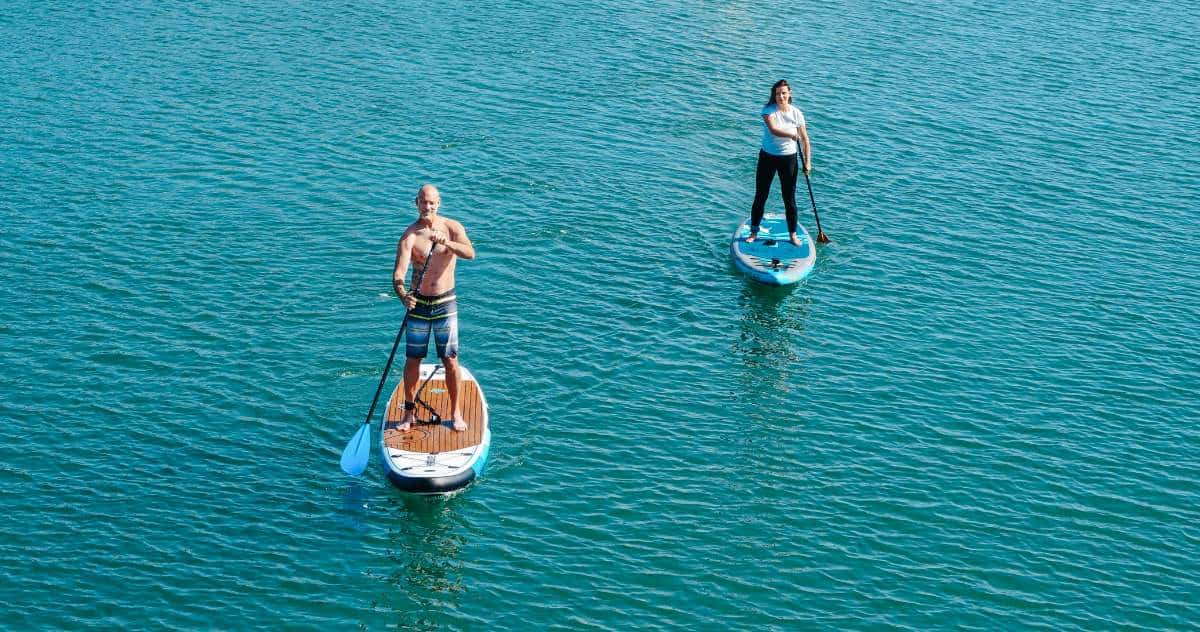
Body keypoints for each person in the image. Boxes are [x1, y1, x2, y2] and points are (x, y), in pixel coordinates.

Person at [392, 184, 476, 432]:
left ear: (438, 203)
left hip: (444, 302)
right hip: (418, 304)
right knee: (412, 359)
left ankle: (456, 412)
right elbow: (398, 274)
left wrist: (448, 244)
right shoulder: (410, 236)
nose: (427, 207)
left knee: (449, 359)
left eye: (431, 202)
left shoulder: (452, 227)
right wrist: (402, 295)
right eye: (422, 202)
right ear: (416, 203)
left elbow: (470, 253)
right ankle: (409, 414)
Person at [748, 79, 812, 247]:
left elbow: (805, 140)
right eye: (777, 94)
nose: (781, 96)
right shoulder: (768, 111)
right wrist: (791, 135)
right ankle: (754, 232)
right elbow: (774, 130)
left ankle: (792, 235)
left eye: (784, 93)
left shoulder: (797, 113)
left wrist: (808, 162)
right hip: (767, 157)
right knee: (761, 195)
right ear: (774, 95)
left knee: (789, 199)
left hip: (789, 159)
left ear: (789, 94)